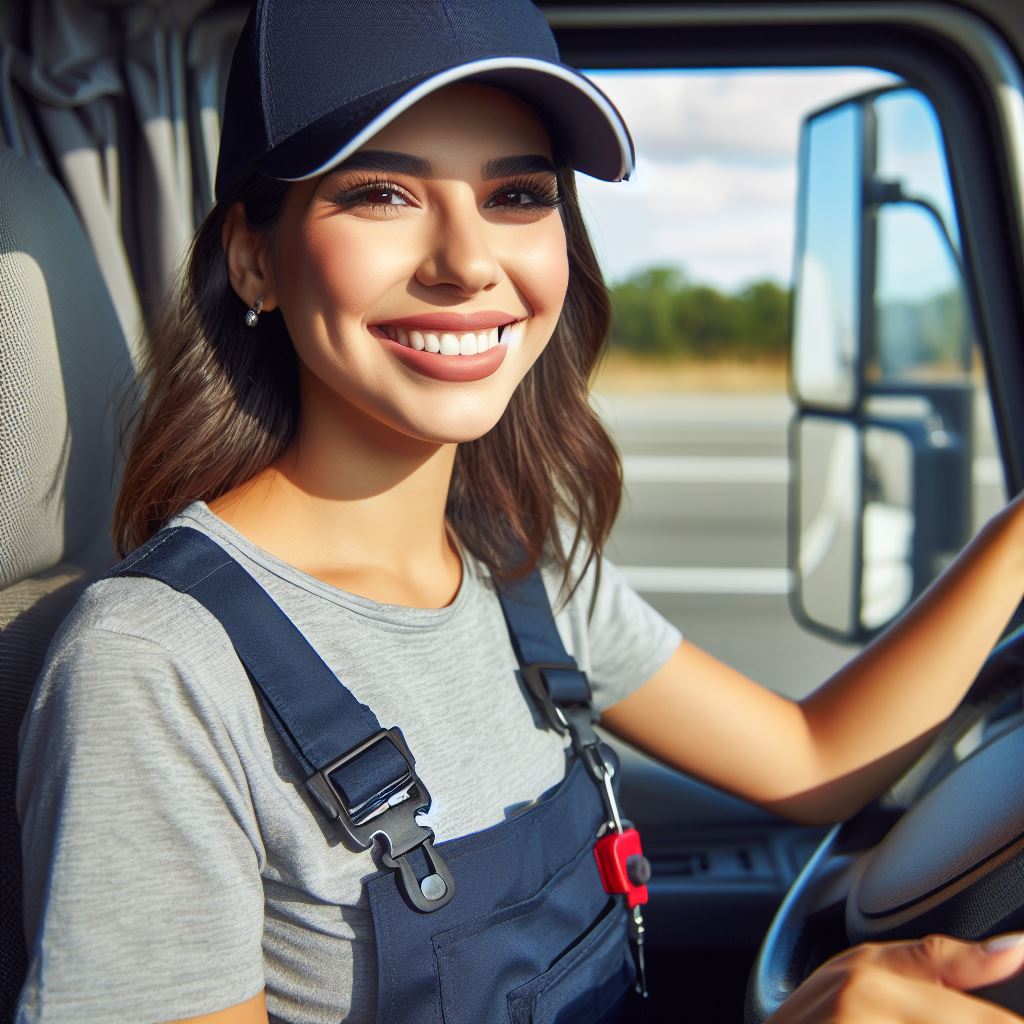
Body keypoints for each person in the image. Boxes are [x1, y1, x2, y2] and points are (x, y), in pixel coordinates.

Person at [14, 1, 1024, 1022]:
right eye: (382, 192)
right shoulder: (155, 662)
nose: (465, 262)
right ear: (254, 259)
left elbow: (812, 760)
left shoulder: (521, 569)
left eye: (517, 194)